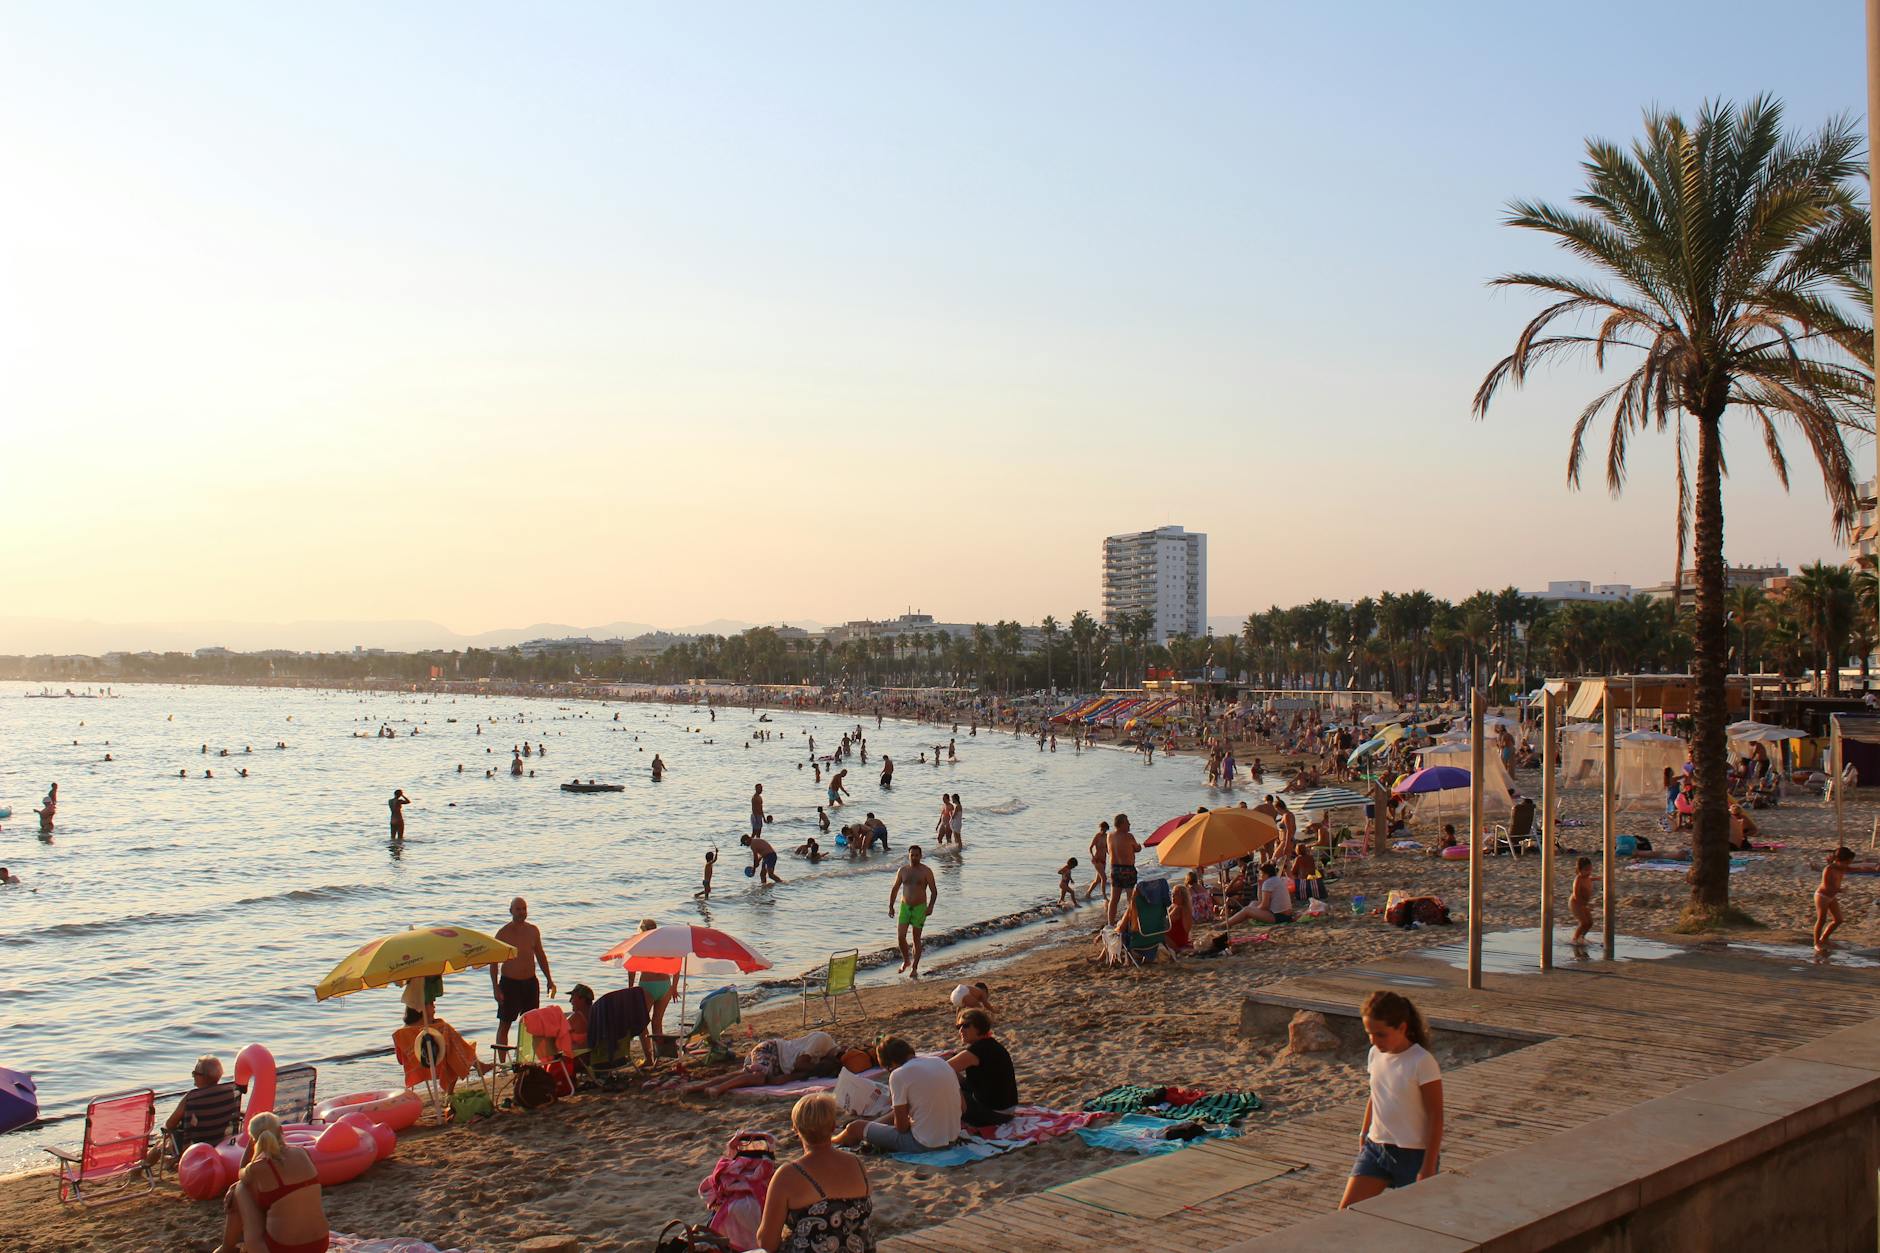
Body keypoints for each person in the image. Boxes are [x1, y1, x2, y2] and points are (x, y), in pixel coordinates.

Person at [1339, 990, 1443, 1208]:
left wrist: (1428, 1166)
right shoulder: (1374, 1054)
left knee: (1413, 1222)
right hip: (1375, 1149)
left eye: (1381, 1034)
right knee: (1346, 1214)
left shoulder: (1421, 1061)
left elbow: (1436, 1115)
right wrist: (1364, 1131)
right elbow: (1376, 1093)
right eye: (1370, 1033)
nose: (1374, 1041)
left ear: (1402, 1027)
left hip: (1413, 1155)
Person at [756, 1093, 877, 1253]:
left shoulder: (788, 1175)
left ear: (795, 1129)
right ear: (833, 1127)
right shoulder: (856, 1163)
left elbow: (766, 1244)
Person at [215, 1111, 330, 1253]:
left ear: (253, 1140)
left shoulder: (258, 1167)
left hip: (283, 1249)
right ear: (281, 1130)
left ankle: (226, 1248)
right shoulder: (302, 1153)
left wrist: (251, 1147)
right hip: (320, 1244)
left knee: (240, 1188)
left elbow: (241, 1173)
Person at [834, 1037, 960, 1154]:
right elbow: (963, 1107)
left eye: (888, 1069)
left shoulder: (899, 1075)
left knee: (855, 1127)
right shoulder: (940, 1062)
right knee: (890, 1115)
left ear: (892, 1064)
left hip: (925, 1143)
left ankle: (831, 1141)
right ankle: (867, 1127)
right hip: (953, 1137)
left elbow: (901, 1127)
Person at [686, 1030, 839, 1096]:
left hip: (775, 1062)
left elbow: (778, 1080)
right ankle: (718, 1089)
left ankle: (697, 1088)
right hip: (771, 1049)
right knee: (758, 1077)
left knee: (748, 1075)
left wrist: (809, 1073)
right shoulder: (823, 1040)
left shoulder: (811, 1069)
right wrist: (815, 1070)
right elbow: (799, 1063)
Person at [151, 1055, 241, 1166]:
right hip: (223, 1144)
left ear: (204, 1077)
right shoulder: (230, 1092)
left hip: (195, 1150)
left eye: (195, 1073)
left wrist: (167, 1128)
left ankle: (143, 1166)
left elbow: (170, 1125)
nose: (193, 1076)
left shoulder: (191, 1097)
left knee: (162, 1141)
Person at [492, 897, 556, 1050]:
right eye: (518, 909)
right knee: (505, 1024)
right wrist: (495, 987)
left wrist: (549, 979)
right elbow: (493, 963)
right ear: (511, 911)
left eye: (524, 909)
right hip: (510, 984)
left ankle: (528, 1060)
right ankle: (501, 1065)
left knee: (532, 1024)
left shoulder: (533, 930)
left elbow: (540, 955)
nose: (521, 912)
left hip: (530, 983)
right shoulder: (502, 934)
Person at [948, 1009, 1018, 1127]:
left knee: (947, 1091)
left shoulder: (977, 1051)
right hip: (1006, 1109)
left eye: (965, 1026)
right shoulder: (990, 1044)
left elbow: (939, 1070)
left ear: (979, 1027)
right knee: (952, 1076)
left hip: (996, 1114)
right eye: (958, 1026)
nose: (961, 1030)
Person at [890, 846, 938, 978]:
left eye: (917, 855)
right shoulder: (903, 870)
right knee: (901, 937)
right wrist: (891, 906)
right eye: (912, 855)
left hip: (919, 908)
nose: (914, 858)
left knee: (916, 938)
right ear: (908, 855)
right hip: (905, 907)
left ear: (921, 856)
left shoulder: (926, 871)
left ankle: (915, 967)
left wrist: (930, 907)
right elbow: (895, 889)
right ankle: (906, 960)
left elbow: (934, 891)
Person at [1815, 846, 1857, 951]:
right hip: (1822, 896)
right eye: (1846, 862)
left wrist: (1873, 868)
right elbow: (1826, 886)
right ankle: (1816, 943)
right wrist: (1839, 890)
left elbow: (1859, 868)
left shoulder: (1842, 868)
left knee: (1838, 920)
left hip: (1831, 897)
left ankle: (1824, 939)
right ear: (1838, 860)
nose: (1847, 865)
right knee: (1822, 920)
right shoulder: (1829, 869)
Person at [1105, 815, 1141, 926]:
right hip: (1128, 869)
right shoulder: (1129, 836)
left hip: (1115, 869)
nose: (1129, 824)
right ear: (1121, 824)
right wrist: (1138, 846)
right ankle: (1132, 922)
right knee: (1131, 899)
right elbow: (1137, 848)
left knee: (1114, 899)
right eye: (1127, 822)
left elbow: (1109, 850)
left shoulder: (1109, 836)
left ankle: (1110, 923)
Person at [1569, 856, 1596, 946]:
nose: (1588, 872)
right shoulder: (1578, 880)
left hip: (1584, 903)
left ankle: (1582, 937)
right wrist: (1582, 905)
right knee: (1584, 922)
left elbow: (1590, 879)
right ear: (1579, 870)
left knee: (1590, 922)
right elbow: (1576, 894)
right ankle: (1575, 939)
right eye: (1586, 870)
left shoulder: (1587, 878)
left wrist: (1599, 878)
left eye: (1590, 869)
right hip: (1576, 903)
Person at [1085, 821, 1110, 901]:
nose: (1103, 830)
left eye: (1105, 828)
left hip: (1103, 860)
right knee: (1104, 878)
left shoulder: (1107, 836)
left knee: (1097, 880)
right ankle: (1104, 896)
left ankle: (1088, 894)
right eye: (1102, 828)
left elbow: (1107, 849)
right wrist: (1092, 856)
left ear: (1107, 829)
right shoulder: (1097, 836)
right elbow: (1091, 847)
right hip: (1097, 860)